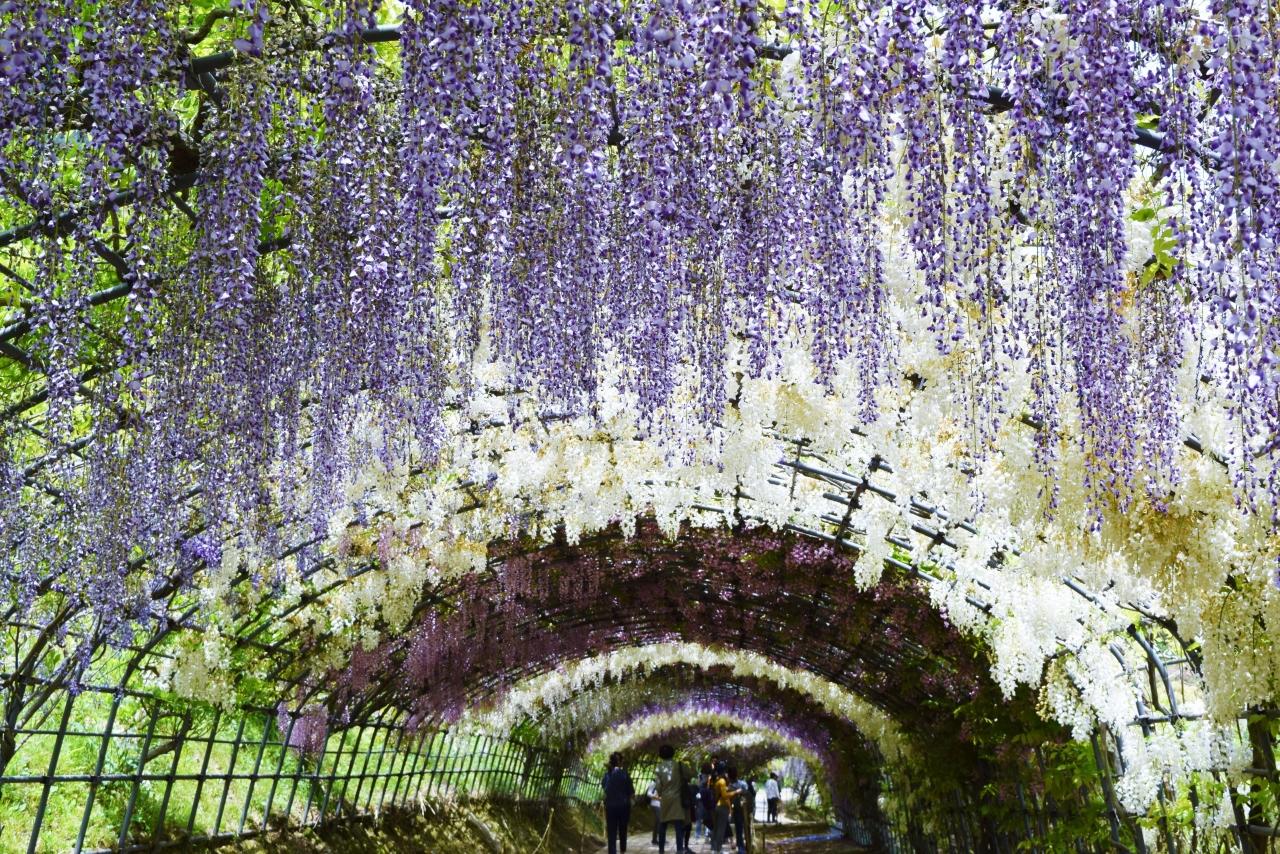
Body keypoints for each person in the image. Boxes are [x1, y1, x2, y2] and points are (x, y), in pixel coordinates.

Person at [653, 744, 693, 853]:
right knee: (678, 826)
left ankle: (661, 850)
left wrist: (661, 792)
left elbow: (658, 786)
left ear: (661, 755)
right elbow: (691, 775)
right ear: (673, 753)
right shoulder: (680, 765)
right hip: (677, 799)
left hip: (665, 799)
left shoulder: (659, 768)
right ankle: (679, 849)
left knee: (662, 825)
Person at [602, 753, 635, 854]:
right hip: (624, 806)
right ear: (620, 762)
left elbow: (604, 788)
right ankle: (622, 850)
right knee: (623, 829)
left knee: (611, 831)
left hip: (610, 806)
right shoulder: (625, 774)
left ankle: (612, 852)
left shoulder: (607, 775)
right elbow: (631, 792)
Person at [709, 761, 743, 854]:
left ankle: (714, 848)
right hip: (722, 807)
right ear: (724, 771)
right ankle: (717, 849)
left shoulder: (715, 780)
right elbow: (724, 796)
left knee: (716, 829)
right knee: (720, 829)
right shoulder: (722, 781)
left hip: (716, 806)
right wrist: (736, 792)